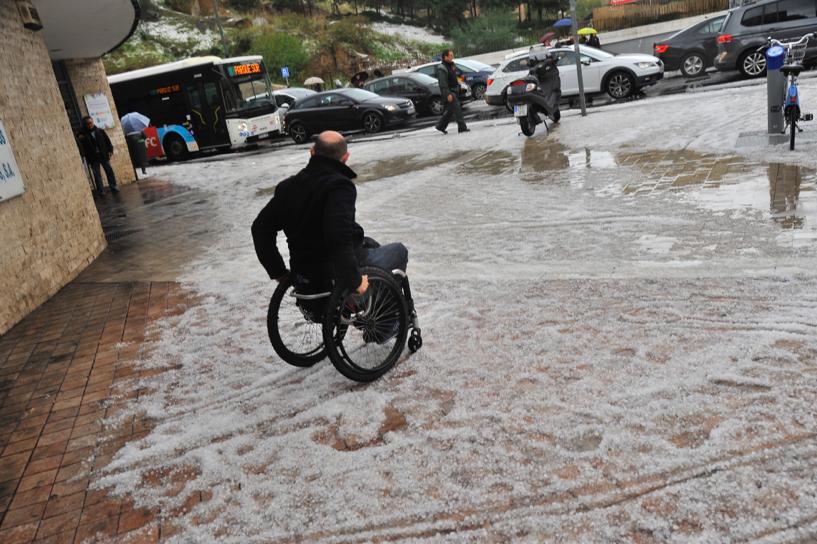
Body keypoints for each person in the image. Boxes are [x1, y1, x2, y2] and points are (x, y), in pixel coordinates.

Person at [251, 131, 409, 302]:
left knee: (369, 243)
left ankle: (369, 305)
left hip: (303, 272)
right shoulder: (339, 186)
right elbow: (337, 238)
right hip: (333, 274)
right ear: (345, 157)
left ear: (312, 152)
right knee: (399, 251)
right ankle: (387, 323)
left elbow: (260, 228)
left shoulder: (288, 187)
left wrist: (279, 272)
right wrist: (354, 281)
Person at [78, 116, 118, 196]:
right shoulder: (83, 135)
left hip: (103, 155)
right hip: (93, 158)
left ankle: (113, 187)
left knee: (109, 170)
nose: (90, 124)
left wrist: (110, 150)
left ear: (93, 122)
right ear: (85, 124)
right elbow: (79, 139)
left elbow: (108, 142)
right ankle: (101, 191)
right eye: (87, 123)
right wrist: (82, 134)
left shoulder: (100, 131)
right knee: (97, 175)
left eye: (91, 122)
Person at [434, 49, 469, 134]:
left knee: (450, 110)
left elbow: (454, 77)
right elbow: (443, 83)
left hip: (455, 90)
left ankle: (440, 126)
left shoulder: (451, 65)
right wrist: (448, 94)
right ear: (445, 57)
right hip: (450, 92)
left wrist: (460, 85)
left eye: (452, 55)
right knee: (457, 109)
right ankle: (462, 128)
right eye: (450, 56)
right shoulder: (442, 68)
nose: (452, 57)